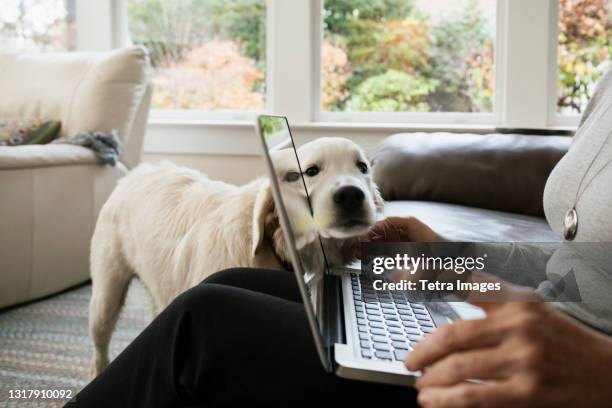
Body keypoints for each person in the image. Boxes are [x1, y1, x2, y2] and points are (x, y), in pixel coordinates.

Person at [69, 71, 612, 407]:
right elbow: (581, 264)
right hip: (528, 327)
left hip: (555, 378)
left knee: (201, 322)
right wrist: (448, 255)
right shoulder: (606, 84)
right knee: (228, 284)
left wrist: (601, 373)